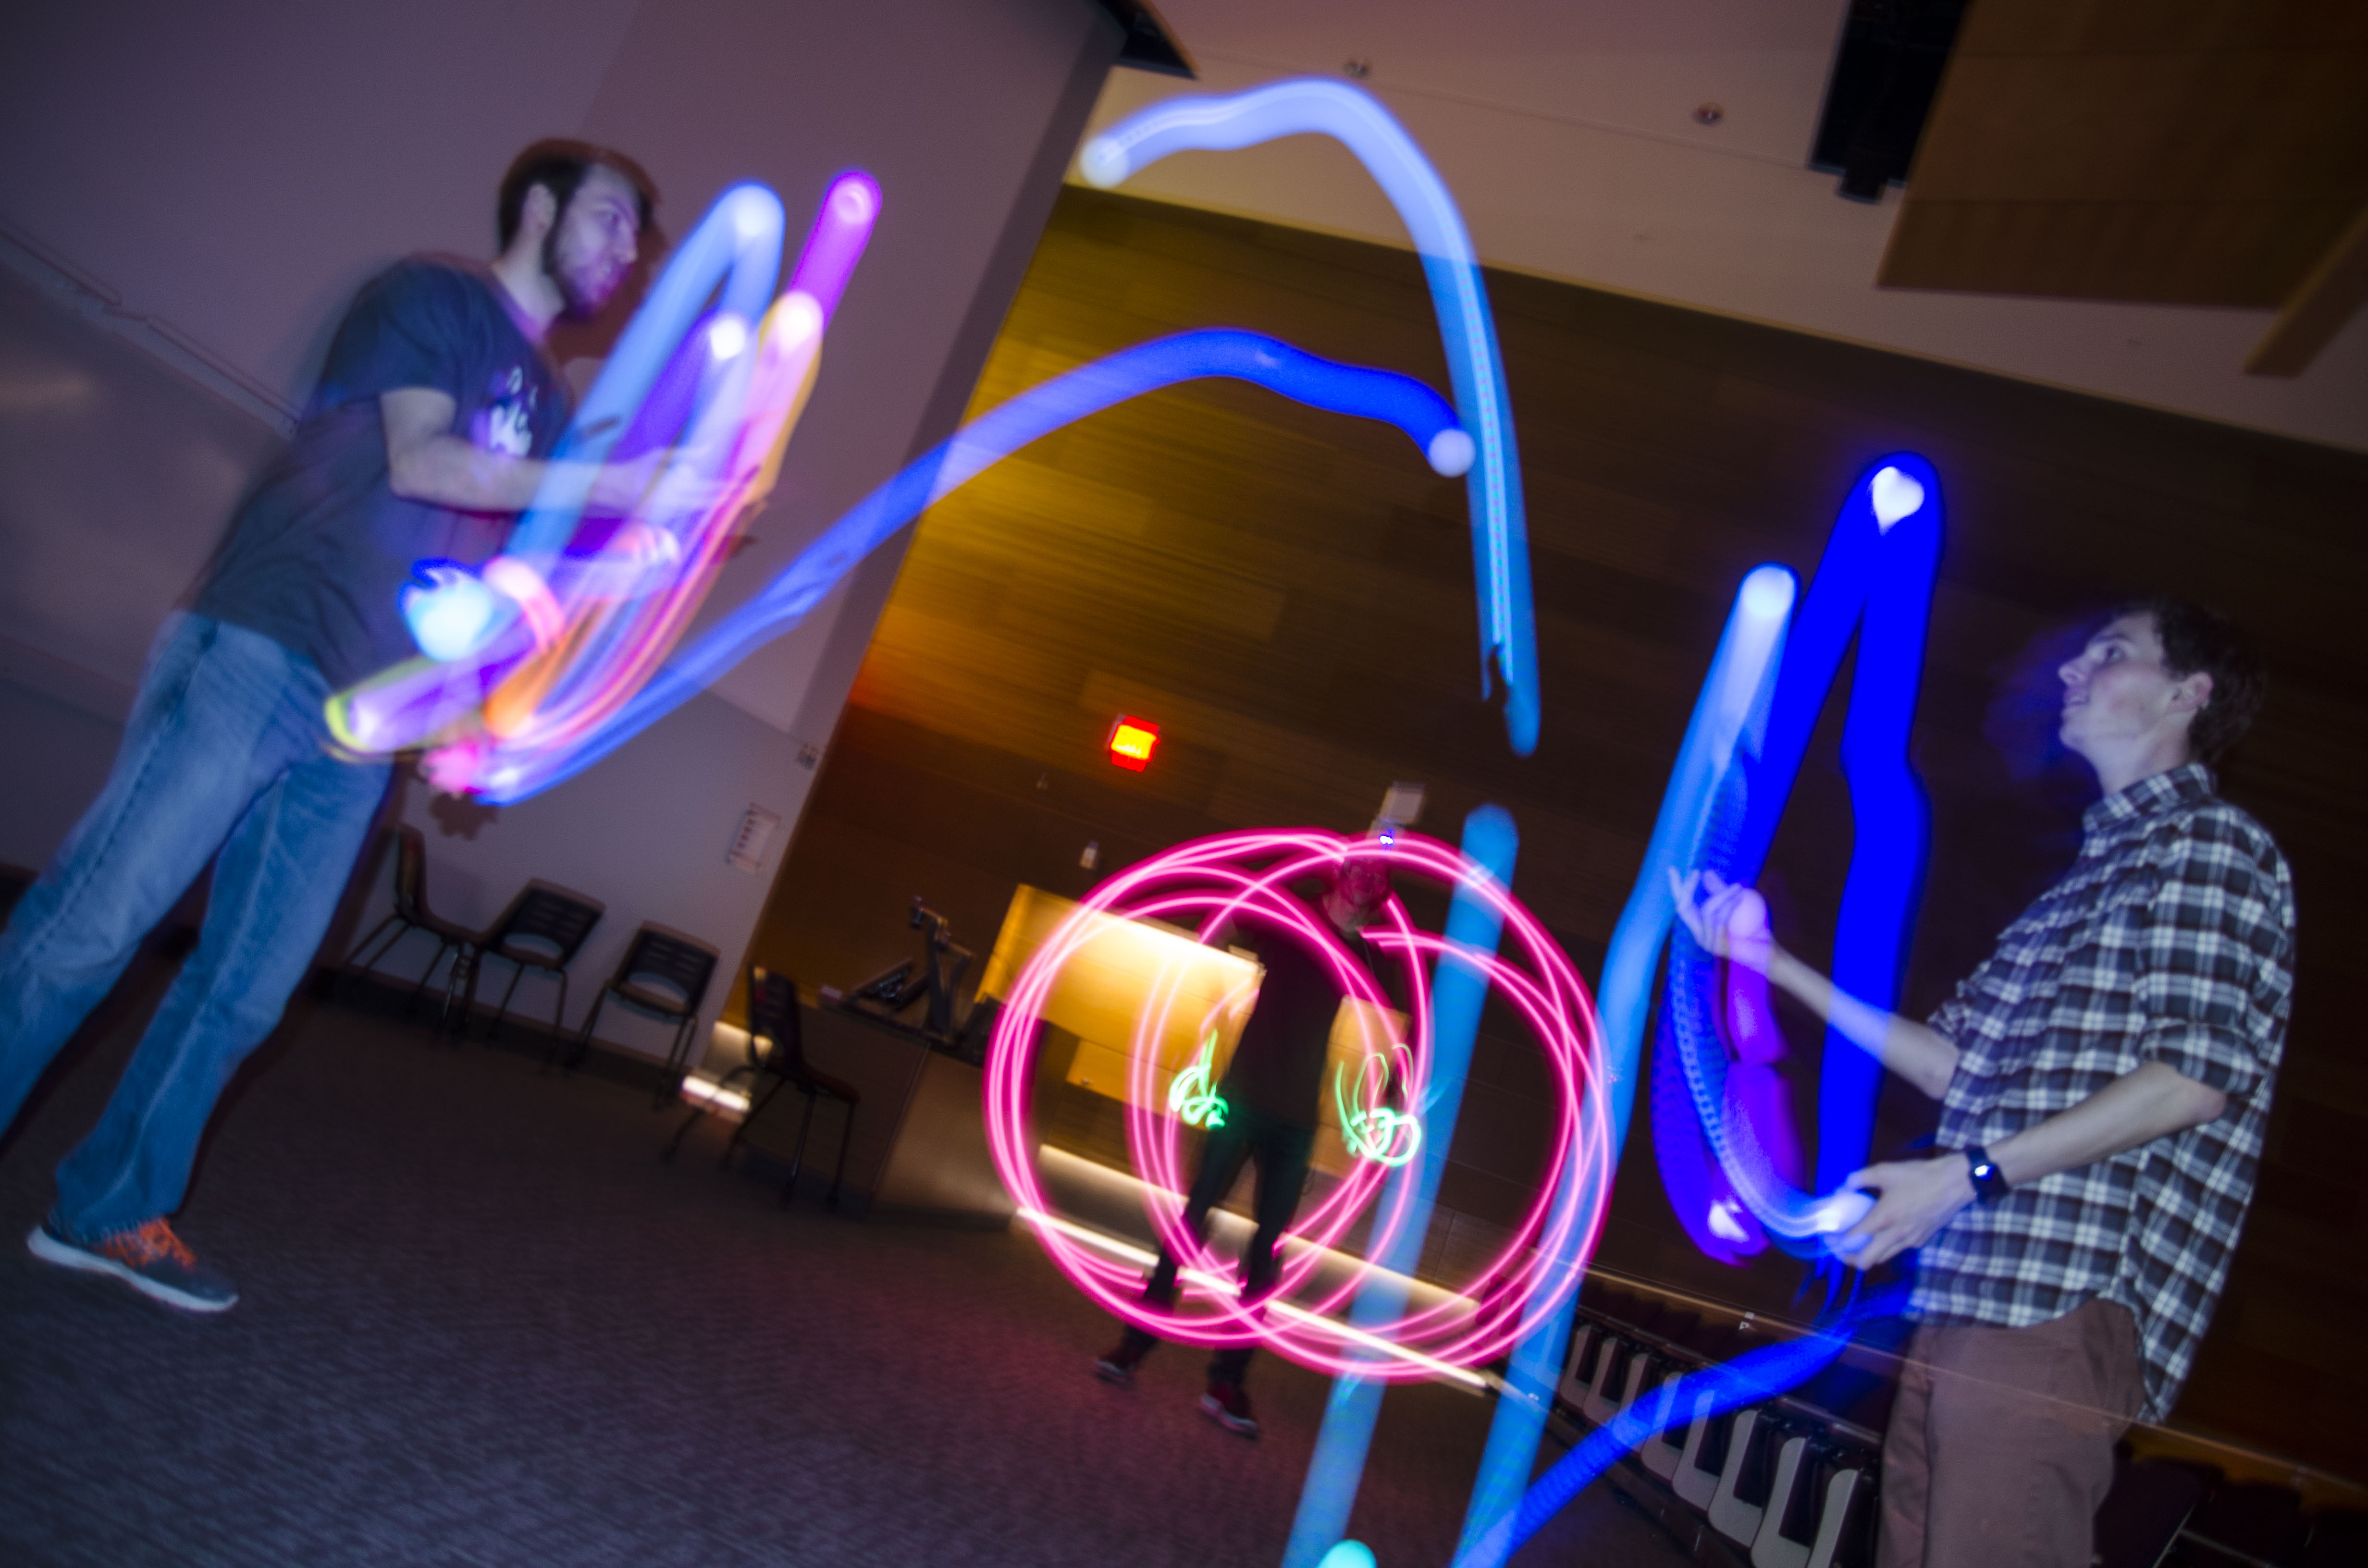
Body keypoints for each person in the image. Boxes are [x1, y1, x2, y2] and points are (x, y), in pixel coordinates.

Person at [0, 139, 662, 1314]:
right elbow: (420, 463)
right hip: (262, 648)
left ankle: (105, 1207)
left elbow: (511, 582)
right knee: (89, 931)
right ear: (542, 205)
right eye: (612, 218)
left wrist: (489, 713)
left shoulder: (549, 405)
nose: (631, 248)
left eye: (638, 234)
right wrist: (608, 493)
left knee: (246, 991)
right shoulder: (431, 298)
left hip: (369, 723)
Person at [1672, 598, 2293, 1568]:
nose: (2070, 670)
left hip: (2057, 1300)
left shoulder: (2208, 846)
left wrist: (1966, 1177)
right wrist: (1768, 961)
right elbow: (1949, 1062)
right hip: (1972, 1289)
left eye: (2112, 652)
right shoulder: (2088, 880)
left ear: (2187, 692)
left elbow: (2194, 1078)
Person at [1094, 860, 1395, 1438]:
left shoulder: (1364, 956)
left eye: (1377, 881)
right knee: (1193, 1217)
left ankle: (1228, 1381)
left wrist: (1392, 1090)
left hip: (1296, 1119)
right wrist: (1243, 902)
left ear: (1380, 896)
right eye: (1359, 872)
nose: (1366, 884)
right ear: (1337, 877)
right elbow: (1227, 923)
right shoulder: (1289, 919)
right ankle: (1133, 1345)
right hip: (1245, 1095)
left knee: (1267, 1251)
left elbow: (1390, 1026)